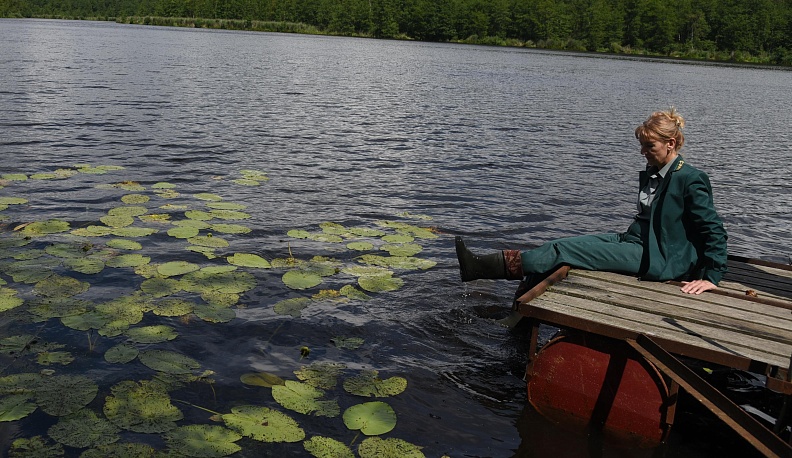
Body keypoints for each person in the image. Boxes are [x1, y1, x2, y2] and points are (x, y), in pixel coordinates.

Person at [456, 108, 728, 295]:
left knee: (561, 254)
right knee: (558, 245)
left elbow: (713, 230)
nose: (643, 152)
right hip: (633, 240)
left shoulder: (690, 178)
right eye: (642, 145)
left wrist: (710, 277)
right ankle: (516, 313)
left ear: (670, 143)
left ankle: (480, 268)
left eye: (649, 146)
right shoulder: (655, 171)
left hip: (656, 255)